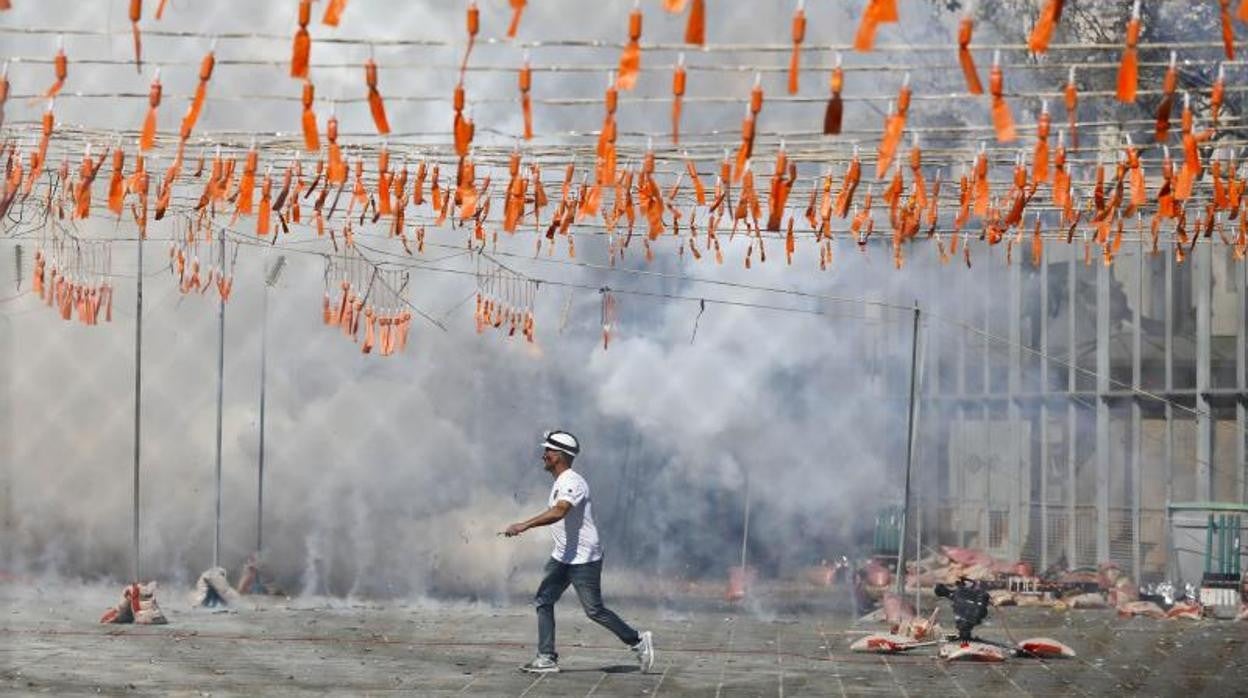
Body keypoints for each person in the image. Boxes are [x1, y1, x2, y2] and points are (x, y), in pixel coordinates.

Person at [503, 429, 655, 674]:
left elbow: (560, 511)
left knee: (594, 610)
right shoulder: (561, 482)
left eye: (548, 451)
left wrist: (525, 525)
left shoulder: (572, 482)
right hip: (563, 556)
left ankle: (637, 640)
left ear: (559, 456)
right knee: (543, 599)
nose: (544, 455)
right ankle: (546, 658)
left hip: (583, 559)